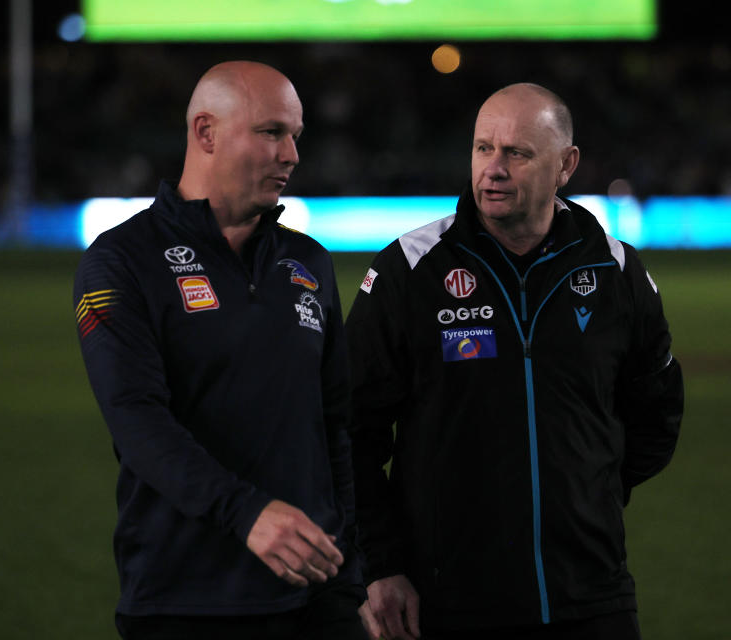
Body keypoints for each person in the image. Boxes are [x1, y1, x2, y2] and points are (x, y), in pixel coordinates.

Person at [345, 83, 684, 639]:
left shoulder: (614, 270)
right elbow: (348, 430)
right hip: (449, 600)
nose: (493, 169)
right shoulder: (411, 270)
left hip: (592, 595)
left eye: (516, 153)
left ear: (566, 165)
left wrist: (587, 492)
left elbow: (658, 409)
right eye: (483, 149)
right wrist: (381, 564)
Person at [73, 60, 368, 640]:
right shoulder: (120, 262)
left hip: (315, 596)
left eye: (295, 136)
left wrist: (350, 574)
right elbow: (137, 421)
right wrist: (247, 512)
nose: (291, 155)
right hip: (184, 600)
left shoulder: (309, 263)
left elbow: (336, 429)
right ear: (206, 133)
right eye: (271, 132)